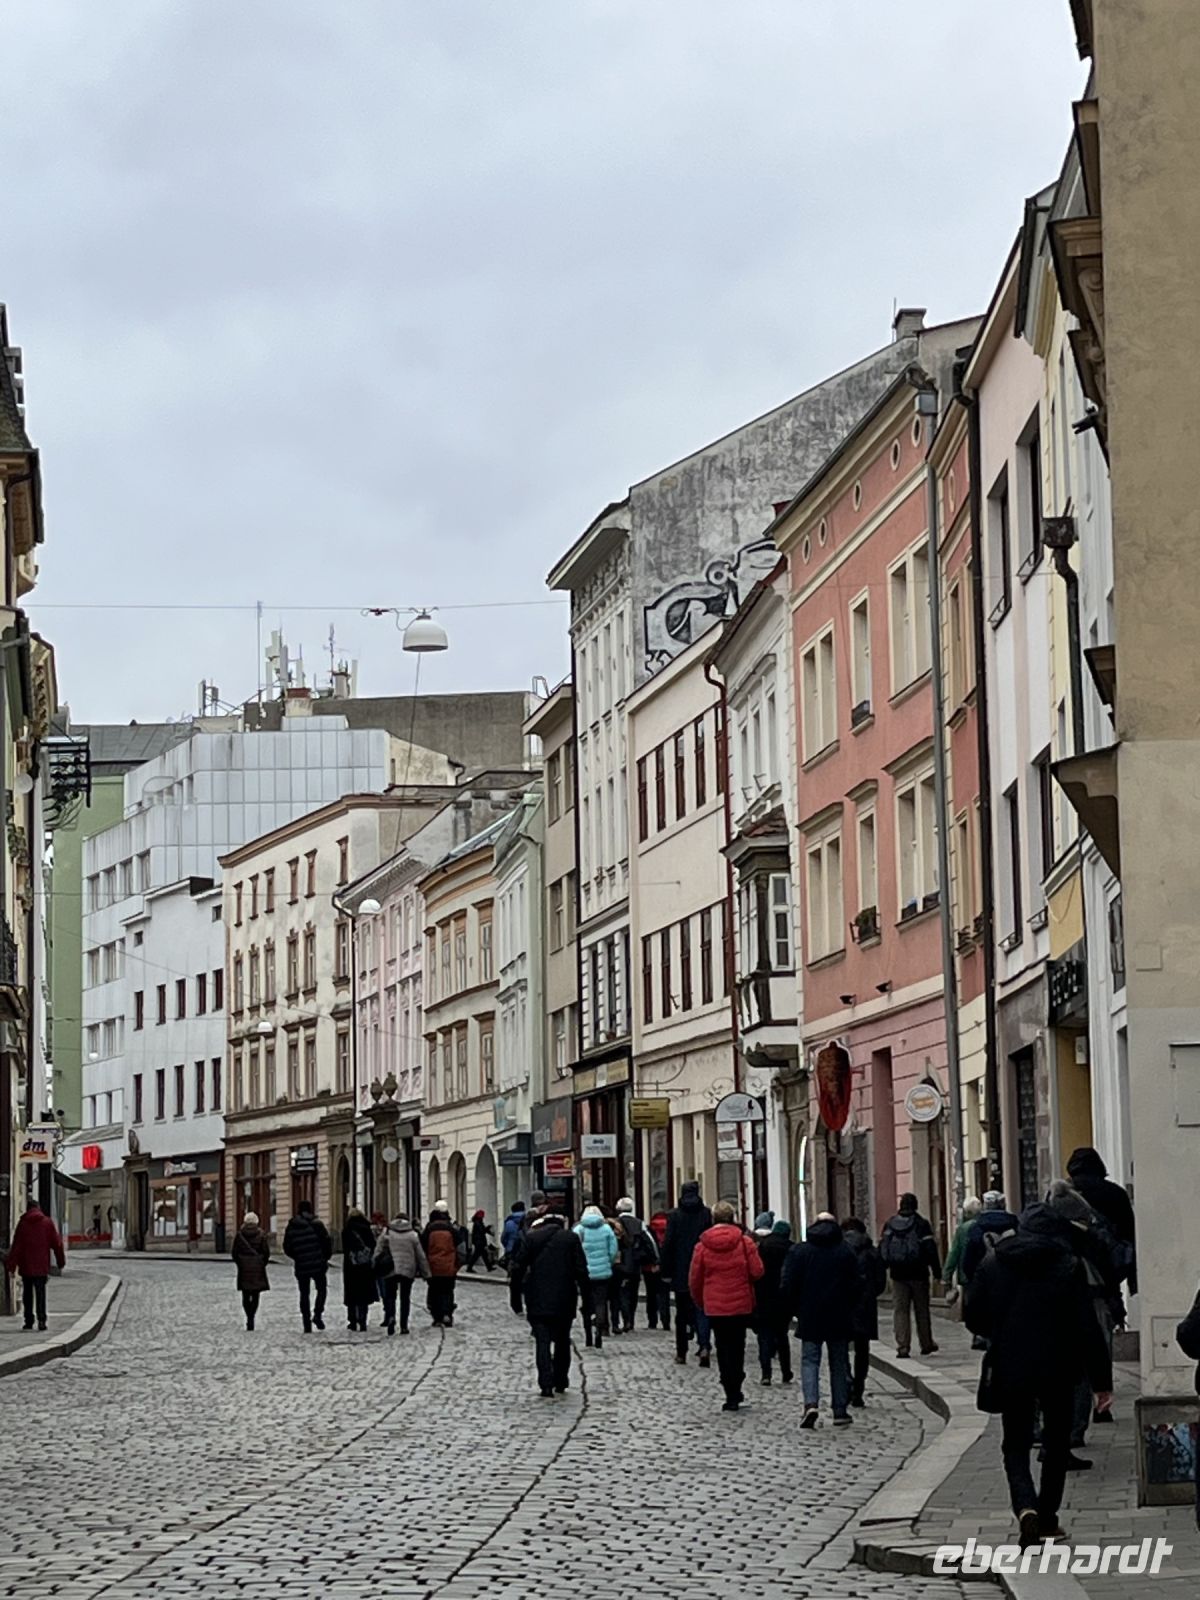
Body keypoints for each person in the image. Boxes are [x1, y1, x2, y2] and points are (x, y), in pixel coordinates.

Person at [965, 1202, 1113, 1549]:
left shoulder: (994, 1262)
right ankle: (1047, 1519)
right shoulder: (1068, 1265)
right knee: (1056, 1445)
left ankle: (1025, 1506)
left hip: (1011, 1365)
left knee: (1015, 1443)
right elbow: (1087, 1326)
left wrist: (998, 1332)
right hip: (1059, 1367)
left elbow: (974, 1316)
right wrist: (1101, 1382)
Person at [1046, 1178, 1125, 1463]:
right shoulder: (1088, 1236)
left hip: (1052, 1308)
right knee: (1082, 1365)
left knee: (1060, 1368)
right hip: (1091, 1301)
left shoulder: (1042, 1238)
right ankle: (1074, 1429)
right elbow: (1110, 1269)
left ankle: (1054, 1430)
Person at [781, 1212, 860, 1427]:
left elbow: (788, 1284)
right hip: (839, 1315)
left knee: (809, 1360)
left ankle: (811, 1404)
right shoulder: (845, 1251)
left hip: (810, 1314)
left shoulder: (801, 1251)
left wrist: (795, 1308)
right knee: (838, 1363)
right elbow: (857, 1283)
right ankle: (840, 1410)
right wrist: (850, 1307)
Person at [688, 1201, 763, 1412]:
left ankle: (729, 1390)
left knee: (722, 1347)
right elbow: (757, 1271)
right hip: (740, 1303)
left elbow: (695, 1278)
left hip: (715, 1304)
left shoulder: (702, 1246)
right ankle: (736, 1384)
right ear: (733, 1218)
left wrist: (700, 1300)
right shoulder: (745, 1243)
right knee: (737, 1346)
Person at [510, 1211, 591, 1396]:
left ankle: (545, 1383)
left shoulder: (532, 1239)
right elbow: (581, 1270)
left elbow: (518, 1268)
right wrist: (587, 1300)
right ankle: (561, 1379)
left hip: (537, 1296)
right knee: (563, 1340)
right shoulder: (570, 1239)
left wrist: (516, 1297)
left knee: (542, 1341)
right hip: (564, 1297)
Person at [879, 1192, 942, 1358]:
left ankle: (903, 1346)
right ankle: (926, 1343)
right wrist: (937, 1272)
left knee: (900, 1310)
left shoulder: (890, 1224)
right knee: (921, 1310)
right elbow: (930, 1249)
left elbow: (883, 1249)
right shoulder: (921, 1224)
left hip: (897, 1274)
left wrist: (883, 1268)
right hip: (919, 1273)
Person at [661, 1182, 714, 1367]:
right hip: (703, 1269)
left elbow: (668, 1244)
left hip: (681, 1271)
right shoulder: (706, 1213)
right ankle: (704, 1345)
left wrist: (666, 1271)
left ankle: (681, 1352)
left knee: (681, 1314)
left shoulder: (674, 1215)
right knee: (702, 1310)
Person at [841, 1218, 887, 1406]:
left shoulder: (840, 1251)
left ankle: (846, 1381)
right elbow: (881, 1283)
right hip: (865, 1307)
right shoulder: (872, 1252)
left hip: (843, 1306)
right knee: (862, 1350)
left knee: (841, 1349)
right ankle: (858, 1389)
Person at [4, 1199, 65, 1332]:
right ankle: (42, 1321)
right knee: (40, 1293)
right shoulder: (47, 1223)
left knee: (27, 1294)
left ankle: (28, 1321)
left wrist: (11, 1266)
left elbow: (17, 1246)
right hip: (41, 1265)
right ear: (38, 1208)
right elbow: (57, 1244)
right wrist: (60, 1262)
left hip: (26, 1265)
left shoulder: (23, 1223)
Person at [282, 1199, 333, 1332]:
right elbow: (327, 1243)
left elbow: (287, 1247)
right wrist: (324, 1258)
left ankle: (306, 1323)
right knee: (322, 1289)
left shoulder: (292, 1225)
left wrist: (298, 1256)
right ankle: (317, 1314)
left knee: (304, 1293)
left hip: (302, 1265)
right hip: (318, 1264)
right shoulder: (317, 1224)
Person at [374, 1213, 429, 1335]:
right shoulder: (412, 1235)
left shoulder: (387, 1232)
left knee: (390, 1296)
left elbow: (378, 1250)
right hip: (407, 1269)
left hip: (390, 1268)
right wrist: (426, 1273)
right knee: (405, 1298)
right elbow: (420, 1256)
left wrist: (375, 1264)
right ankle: (404, 1325)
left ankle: (391, 1317)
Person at [753, 1219, 793, 1386]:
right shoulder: (791, 1248)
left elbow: (756, 1270)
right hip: (783, 1297)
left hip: (763, 1296)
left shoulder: (763, 1247)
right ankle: (786, 1371)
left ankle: (766, 1374)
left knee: (764, 1336)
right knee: (782, 1335)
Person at [573, 1204, 619, 1348]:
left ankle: (588, 1335)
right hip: (603, 1273)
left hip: (585, 1274)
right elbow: (613, 1250)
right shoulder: (606, 1229)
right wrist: (607, 1262)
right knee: (601, 1301)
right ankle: (600, 1327)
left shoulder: (579, 1230)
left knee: (587, 1303)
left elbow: (574, 1251)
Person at [614, 1197, 658, 1333]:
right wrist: (655, 1259)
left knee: (621, 1293)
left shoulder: (615, 1223)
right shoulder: (639, 1223)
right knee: (633, 1292)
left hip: (619, 1263)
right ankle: (630, 1319)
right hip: (635, 1263)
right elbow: (649, 1241)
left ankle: (625, 1318)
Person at [961, 1191, 1021, 1285]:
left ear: (985, 1206)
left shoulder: (977, 1228)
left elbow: (968, 1261)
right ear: (1003, 1205)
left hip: (984, 1281)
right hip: (1012, 1282)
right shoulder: (1016, 1225)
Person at [421, 1203, 463, 1327]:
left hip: (433, 1266)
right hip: (449, 1266)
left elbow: (422, 1249)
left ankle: (437, 1316)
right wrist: (457, 1264)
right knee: (448, 1291)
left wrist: (423, 1267)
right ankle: (447, 1313)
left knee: (434, 1291)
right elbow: (461, 1249)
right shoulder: (452, 1230)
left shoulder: (428, 1230)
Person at [231, 1210, 270, 1331]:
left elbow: (234, 1253)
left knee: (245, 1294)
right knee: (256, 1294)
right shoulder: (261, 1234)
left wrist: (240, 1263)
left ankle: (249, 1316)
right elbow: (266, 1252)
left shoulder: (239, 1235)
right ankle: (252, 1315)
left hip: (244, 1268)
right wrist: (262, 1263)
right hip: (257, 1267)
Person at [341, 1207, 379, 1333]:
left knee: (352, 1293)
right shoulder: (366, 1228)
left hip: (351, 1266)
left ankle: (352, 1321)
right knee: (364, 1293)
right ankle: (362, 1320)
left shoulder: (346, 1230)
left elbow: (344, 1247)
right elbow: (373, 1245)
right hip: (365, 1266)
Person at [942, 1195, 983, 1294]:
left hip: (967, 1276)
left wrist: (946, 1277)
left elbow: (954, 1253)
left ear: (967, 1212)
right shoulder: (985, 1224)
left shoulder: (963, 1229)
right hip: (986, 1273)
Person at [648, 1210, 671, 1330]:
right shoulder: (669, 1228)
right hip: (666, 1265)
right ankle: (666, 1320)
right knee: (664, 1294)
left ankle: (652, 1321)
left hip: (650, 1266)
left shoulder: (650, 1229)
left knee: (651, 1293)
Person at [501, 1201, 526, 1266]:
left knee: (512, 1270)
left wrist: (508, 1245)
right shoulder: (528, 1220)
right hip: (524, 1250)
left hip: (511, 1250)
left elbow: (503, 1238)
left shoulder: (508, 1222)